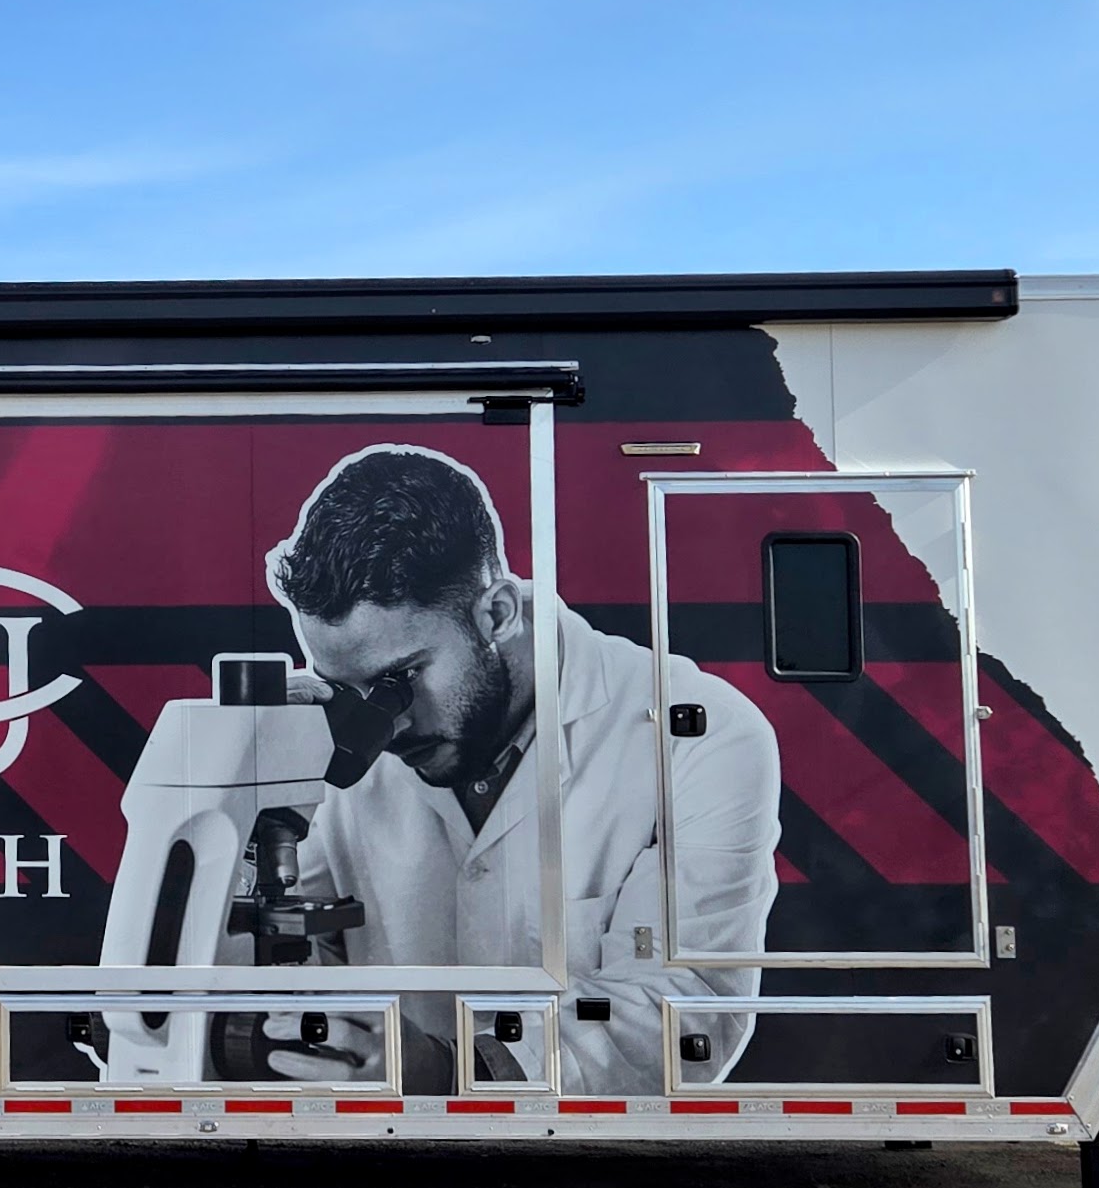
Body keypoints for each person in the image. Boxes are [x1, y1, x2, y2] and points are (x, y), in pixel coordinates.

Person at [260, 444, 781, 1092]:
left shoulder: (692, 731)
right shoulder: (335, 744)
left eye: (398, 681)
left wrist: (449, 1074)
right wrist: (255, 782)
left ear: (496, 613)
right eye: (346, 690)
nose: (382, 728)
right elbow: (282, 959)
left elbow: (683, 1005)